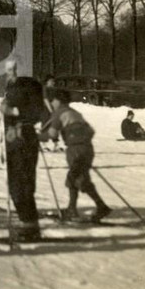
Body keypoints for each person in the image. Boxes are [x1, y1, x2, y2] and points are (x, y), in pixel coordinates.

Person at [0, 57, 48, 242]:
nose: (10, 73)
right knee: (14, 183)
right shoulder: (10, 87)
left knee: (24, 182)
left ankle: (30, 224)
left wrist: (13, 111)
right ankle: (25, 221)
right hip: (12, 139)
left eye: (13, 69)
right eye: (8, 70)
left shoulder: (31, 85)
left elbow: (37, 111)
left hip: (25, 137)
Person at [46, 89, 112, 223]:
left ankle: (99, 206)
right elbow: (91, 131)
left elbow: (52, 134)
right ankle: (75, 208)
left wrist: (35, 136)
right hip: (87, 148)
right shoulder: (75, 113)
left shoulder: (59, 113)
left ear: (58, 101)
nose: (51, 103)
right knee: (77, 178)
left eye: (53, 100)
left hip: (75, 149)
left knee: (76, 179)